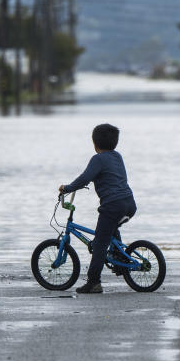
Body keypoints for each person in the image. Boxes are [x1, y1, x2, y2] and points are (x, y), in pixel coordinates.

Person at [59, 123, 137, 294]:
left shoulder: (98, 159)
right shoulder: (118, 156)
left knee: (100, 244)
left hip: (113, 205)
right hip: (129, 203)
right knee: (110, 228)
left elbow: (84, 178)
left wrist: (68, 188)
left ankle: (94, 282)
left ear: (94, 143)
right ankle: (118, 257)